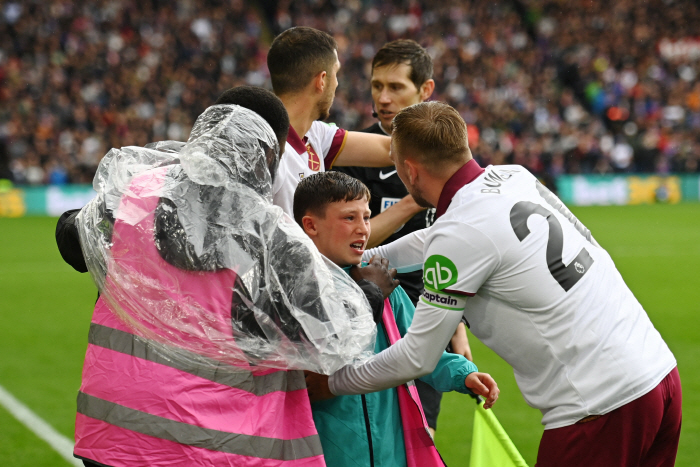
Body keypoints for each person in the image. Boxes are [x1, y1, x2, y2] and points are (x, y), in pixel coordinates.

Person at [309, 101, 681, 467]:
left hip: (601, 405)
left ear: (410, 170)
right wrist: (354, 261)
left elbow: (417, 356)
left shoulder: (461, 232)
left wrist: (335, 383)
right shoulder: (514, 176)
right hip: (658, 374)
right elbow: (436, 240)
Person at [70, 87, 396, 467]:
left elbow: (73, 237)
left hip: (116, 430)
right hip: (215, 442)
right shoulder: (267, 233)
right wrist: (370, 289)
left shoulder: (135, 194)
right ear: (267, 153)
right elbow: (332, 338)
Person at [293, 171, 496, 467]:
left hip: (390, 446)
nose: (363, 229)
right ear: (311, 225)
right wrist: (369, 294)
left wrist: (463, 374)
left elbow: (418, 346)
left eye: (366, 217)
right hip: (327, 447)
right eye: (349, 218)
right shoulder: (294, 286)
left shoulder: (383, 282)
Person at [334, 39, 471, 436]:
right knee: (372, 434)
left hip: (431, 316)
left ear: (425, 91)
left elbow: (452, 245)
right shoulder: (355, 154)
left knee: (421, 433)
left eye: (396, 87)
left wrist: (457, 326)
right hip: (371, 317)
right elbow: (351, 244)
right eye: (378, 86)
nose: (383, 97)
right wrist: (414, 200)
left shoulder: (446, 153)